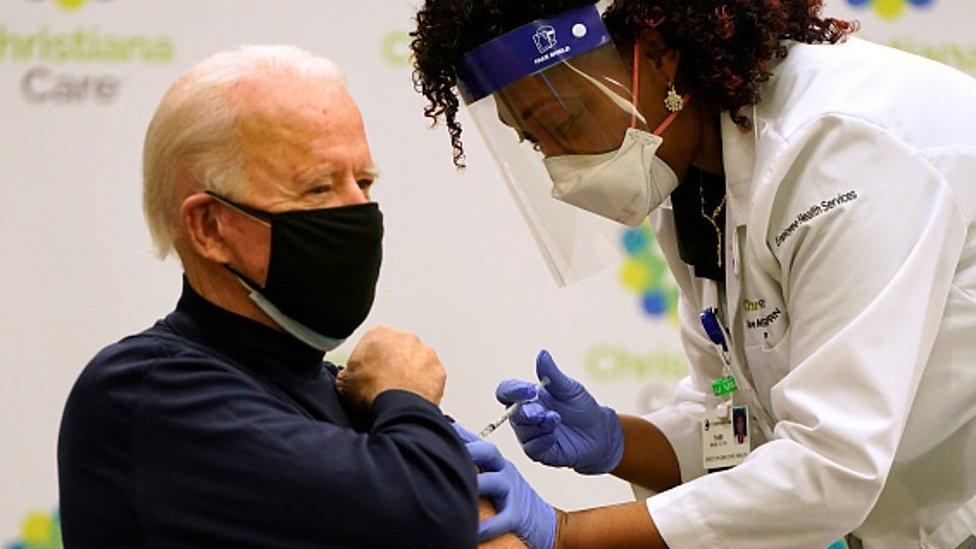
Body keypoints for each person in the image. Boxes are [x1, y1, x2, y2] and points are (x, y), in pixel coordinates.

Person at [410, 1, 976, 547]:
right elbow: (737, 425)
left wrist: (567, 532)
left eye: (565, 121)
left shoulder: (837, 149)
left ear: (657, 53)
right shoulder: (701, 188)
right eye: (537, 143)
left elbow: (829, 465)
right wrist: (616, 441)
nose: (562, 169)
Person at [57, 45, 486, 548]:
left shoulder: (336, 386)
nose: (360, 211)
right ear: (210, 227)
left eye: (364, 182)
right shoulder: (148, 392)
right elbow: (430, 522)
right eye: (319, 189)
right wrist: (409, 399)